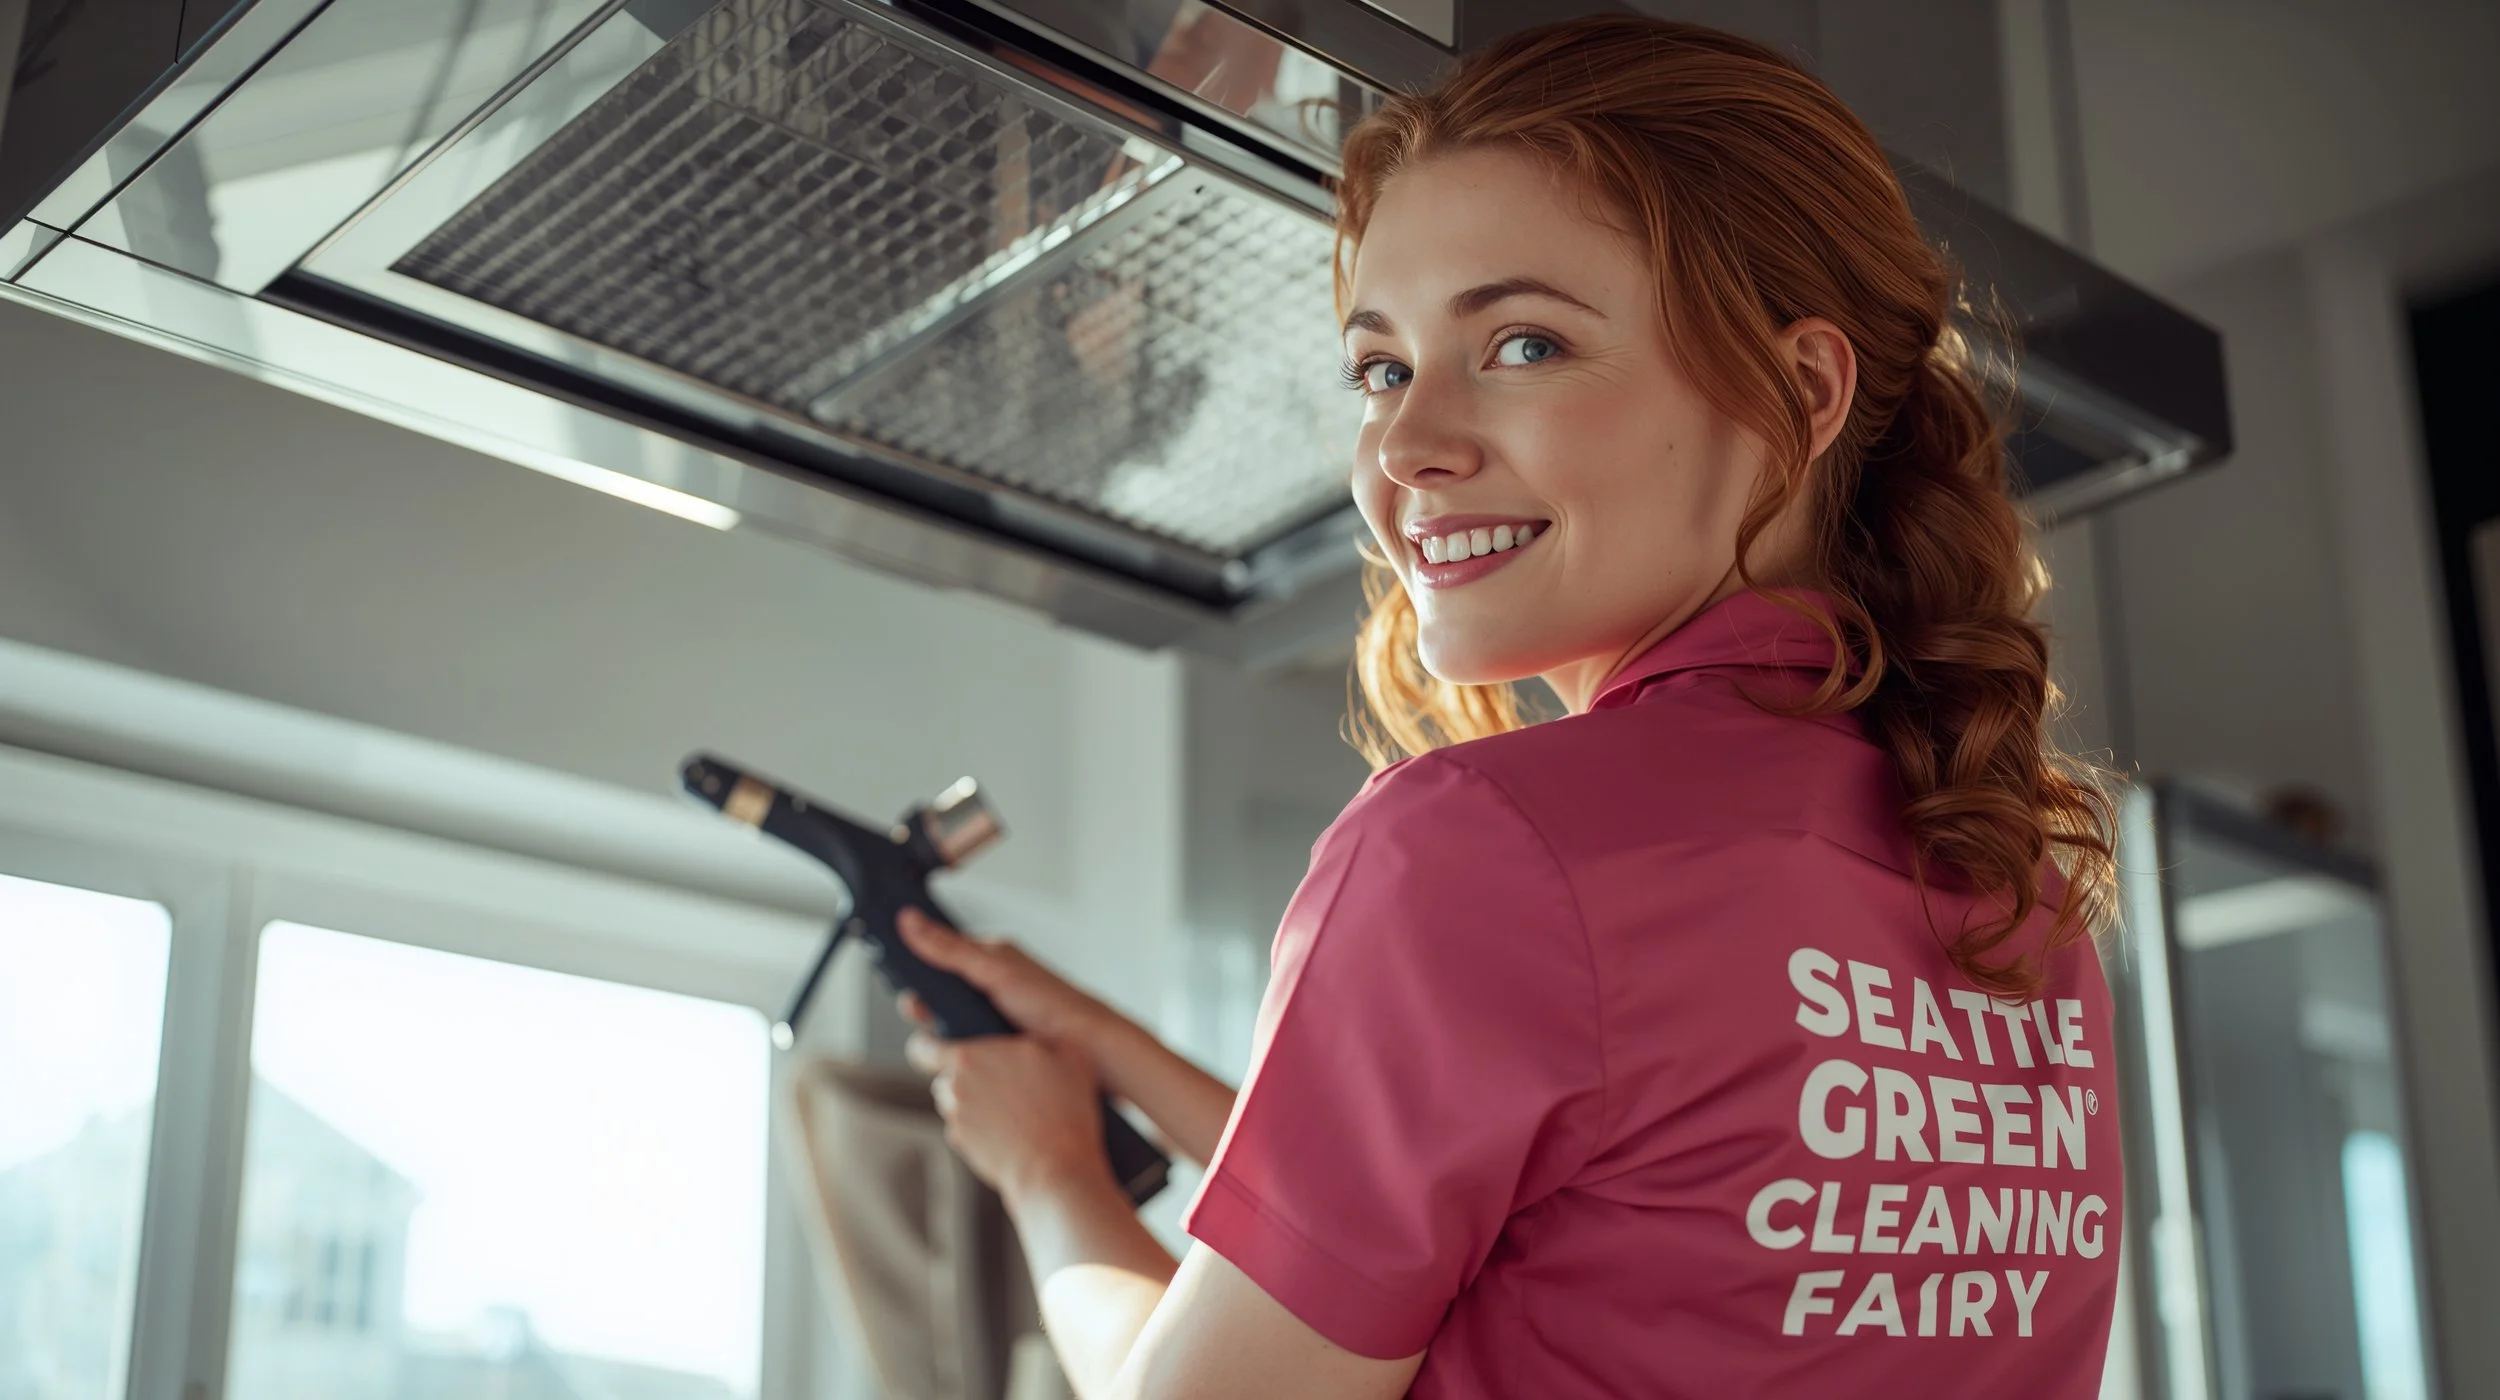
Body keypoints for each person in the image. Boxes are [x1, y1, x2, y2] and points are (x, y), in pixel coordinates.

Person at [893, 14, 2125, 1398]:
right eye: (1382, 368)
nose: (1406, 447)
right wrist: (1110, 1051)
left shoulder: (1484, 845)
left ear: (1799, 390)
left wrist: (1050, 1174)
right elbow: (1596, 1221)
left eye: (1525, 344)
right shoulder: (2018, 897)